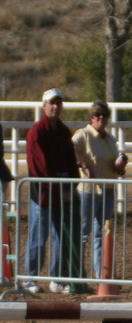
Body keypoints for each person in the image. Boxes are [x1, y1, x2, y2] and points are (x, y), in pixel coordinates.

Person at [25, 88, 87, 294]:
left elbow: (71, 162)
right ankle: (29, 278)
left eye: (58, 103)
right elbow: (40, 167)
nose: (55, 106)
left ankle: (57, 278)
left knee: (62, 237)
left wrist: (72, 185)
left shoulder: (63, 132)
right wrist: (61, 189)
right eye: (51, 102)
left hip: (63, 194)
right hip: (42, 196)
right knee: (38, 237)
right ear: (44, 106)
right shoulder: (36, 132)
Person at [73, 100, 127, 279]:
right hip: (88, 190)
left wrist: (119, 168)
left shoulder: (110, 139)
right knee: (83, 232)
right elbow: (68, 151)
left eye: (104, 115)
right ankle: (76, 272)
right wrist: (81, 164)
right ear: (91, 117)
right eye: (97, 115)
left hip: (108, 189)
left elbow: (113, 163)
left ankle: (101, 275)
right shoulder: (83, 135)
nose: (101, 118)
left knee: (102, 233)